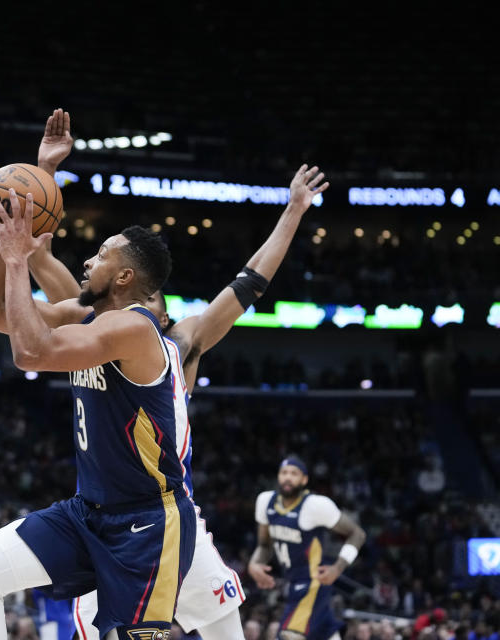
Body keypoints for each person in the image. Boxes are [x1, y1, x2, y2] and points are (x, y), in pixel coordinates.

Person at [29, 109, 330, 640]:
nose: (151, 311)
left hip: (170, 519)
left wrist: (293, 211)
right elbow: (40, 256)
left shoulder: (180, 342)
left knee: (224, 628)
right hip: (109, 523)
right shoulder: (95, 322)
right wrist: (44, 173)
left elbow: (250, 283)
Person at [0, 175, 197, 640]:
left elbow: (30, 353)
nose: (88, 258)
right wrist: (10, 234)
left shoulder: (138, 330)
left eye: (102, 254)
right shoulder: (86, 316)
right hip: (87, 513)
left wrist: (18, 257)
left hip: (147, 526)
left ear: (125, 278)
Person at [248, 457, 367, 640]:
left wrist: (338, 567)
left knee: (288, 636)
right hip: (292, 583)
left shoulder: (316, 505)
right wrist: (255, 563)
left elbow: (357, 534)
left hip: (314, 583)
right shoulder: (265, 501)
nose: (288, 478)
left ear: (304, 480)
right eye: (284, 473)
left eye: (294, 474)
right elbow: (265, 545)